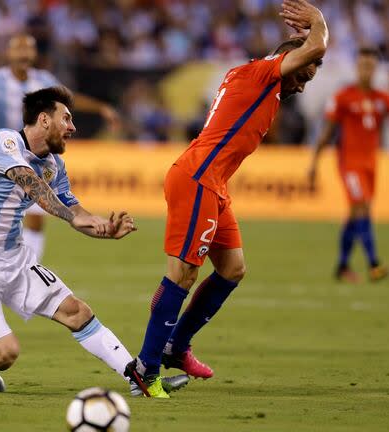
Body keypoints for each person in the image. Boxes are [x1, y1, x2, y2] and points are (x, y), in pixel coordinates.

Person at [123, 0, 328, 398]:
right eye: (303, 73)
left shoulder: (255, 81)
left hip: (214, 184)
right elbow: (316, 46)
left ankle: (174, 346)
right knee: (181, 274)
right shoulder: (261, 74)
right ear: (284, 60)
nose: (303, 84)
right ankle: (145, 372)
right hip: (197, 179)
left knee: (232, 268)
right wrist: (318, 20)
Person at [0, 86, 187, 396]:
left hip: (15, 260)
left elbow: (72, 206)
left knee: (77, 312)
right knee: (5, 353)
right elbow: (32, 187)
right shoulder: (5, 143)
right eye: (66, 119)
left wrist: (102, 227)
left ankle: (139, 381)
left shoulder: (54, 164)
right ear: (44, 120)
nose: (72, 127)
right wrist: (74, 218)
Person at [0, 34, 120, 262]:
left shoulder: (42, 80)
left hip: (34, 156)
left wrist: (101, 108)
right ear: (9, 54)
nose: (24, 54)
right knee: (1, 215)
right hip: (4, 157)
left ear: (34, 54)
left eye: (28, 49)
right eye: (19, 49)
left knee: (35, 217)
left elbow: (69, 100)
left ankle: (28, 266)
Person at [307, 47, 389, 282]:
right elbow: (327, 133)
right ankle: (374, 263)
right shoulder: (343, 97)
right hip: (348, 163)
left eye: (370, 66)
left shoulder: (382, 98)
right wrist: (313, 163)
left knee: (355, 213)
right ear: (356, 67)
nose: (366, 71)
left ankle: (342, 266)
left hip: (371, 164)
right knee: (361, 207)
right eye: (363, 65)